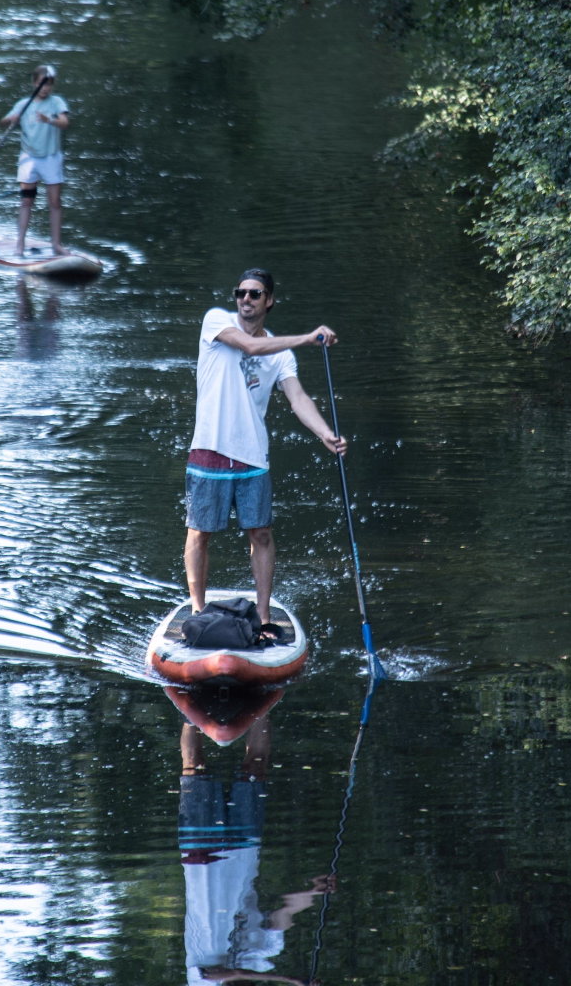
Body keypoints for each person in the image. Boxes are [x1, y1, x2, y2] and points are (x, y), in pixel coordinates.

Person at [185, 269, 344, 632]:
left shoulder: (281, 355)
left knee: (262, 535)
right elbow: (251, 346)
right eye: (241, 292)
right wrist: (307, 338)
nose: (246, 299)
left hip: (252, 455)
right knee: (199, 533)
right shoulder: (216, 321)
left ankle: (264, 617)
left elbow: (298, 397)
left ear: (269, 301)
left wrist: (325, 433)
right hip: (209, 448)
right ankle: (196, 611)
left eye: (256, 294)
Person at [179, 716, 332, 985]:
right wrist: (313, 891)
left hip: (200, 855)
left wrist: (290, 980)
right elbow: (283, 914)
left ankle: (190, 706)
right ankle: (263, 704)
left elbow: (217, 975)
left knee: (195, 767)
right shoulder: (265, 954)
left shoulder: (200, 983)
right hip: (244, 851)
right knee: (255, 768)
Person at [0, 64, 70, 255]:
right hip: (29, 159)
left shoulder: (56, 102)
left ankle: (56, 244)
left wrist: (49, 120)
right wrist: (11, 119)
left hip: (51, 159)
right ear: (34, 83)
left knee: (54, 202)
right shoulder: (24, 104)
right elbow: (4, 122)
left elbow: (65, 123)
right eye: (41, 84)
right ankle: (19, 245)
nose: (45, 88)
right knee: (26, 202)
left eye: (48, 84)